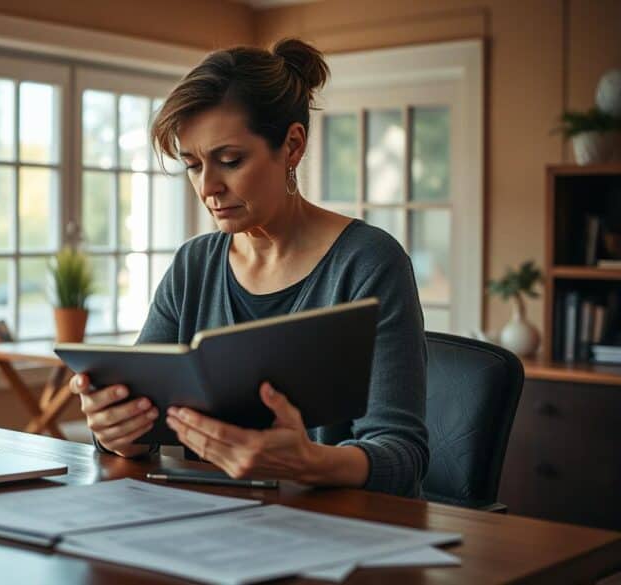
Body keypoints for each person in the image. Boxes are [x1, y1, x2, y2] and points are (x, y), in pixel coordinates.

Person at [69, 39, 429, 498]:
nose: (209, 187)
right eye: (193, 165)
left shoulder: (369, 263)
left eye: (230, 160)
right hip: (216, 531)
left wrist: (308, 461)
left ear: (292, 146)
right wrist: (116, 430)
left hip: (342, 533)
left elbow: (403, 457)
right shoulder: (193, 266)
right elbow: (142, 425)